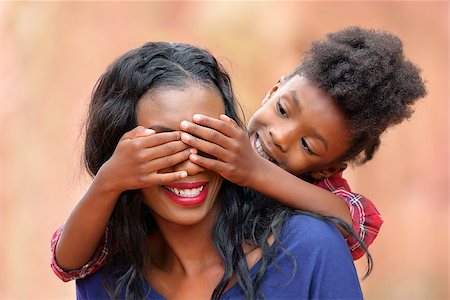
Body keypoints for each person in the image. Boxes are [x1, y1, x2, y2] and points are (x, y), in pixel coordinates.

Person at [56, 41, 363, 299]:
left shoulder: (311, 248)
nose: (188, 163)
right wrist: (108, 182)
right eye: (163, 144)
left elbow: (349, 222)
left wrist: (253, 169)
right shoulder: (107, 273)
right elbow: (65, 262)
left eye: (205, 140)